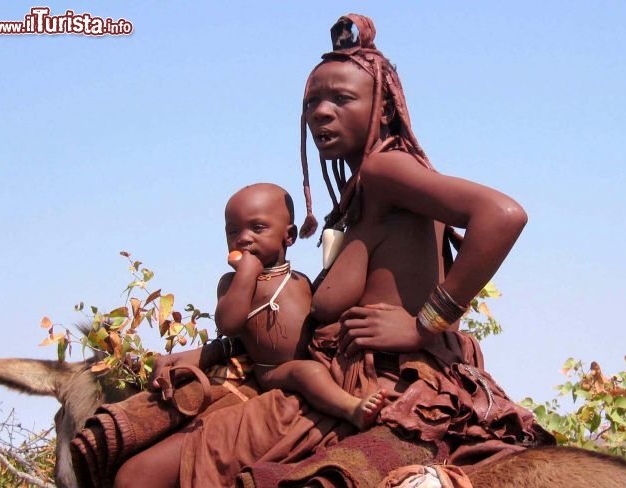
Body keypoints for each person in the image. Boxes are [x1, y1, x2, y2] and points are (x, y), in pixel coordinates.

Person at [111, 13, 554, 488]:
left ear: (382, 109)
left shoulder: (387, 170)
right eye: (313, 102)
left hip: (375, 388)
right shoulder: (366, 193)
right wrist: (207, 352)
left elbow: (503, 215)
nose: (321, 112)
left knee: (138, 476)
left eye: (341, 99)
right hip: (338, 381)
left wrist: (425, 325)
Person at [213, 182, 385, 431]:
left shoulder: (299, 279)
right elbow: (228, 324)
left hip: (312, 355)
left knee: (326, 366)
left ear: (289, 236)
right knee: (307, 373)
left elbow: (320, 308)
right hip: (273, 370)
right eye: (233, 232)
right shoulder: (231, 283)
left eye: (257, 228)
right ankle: (352, 409)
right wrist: (246, 275)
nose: (243, 238)